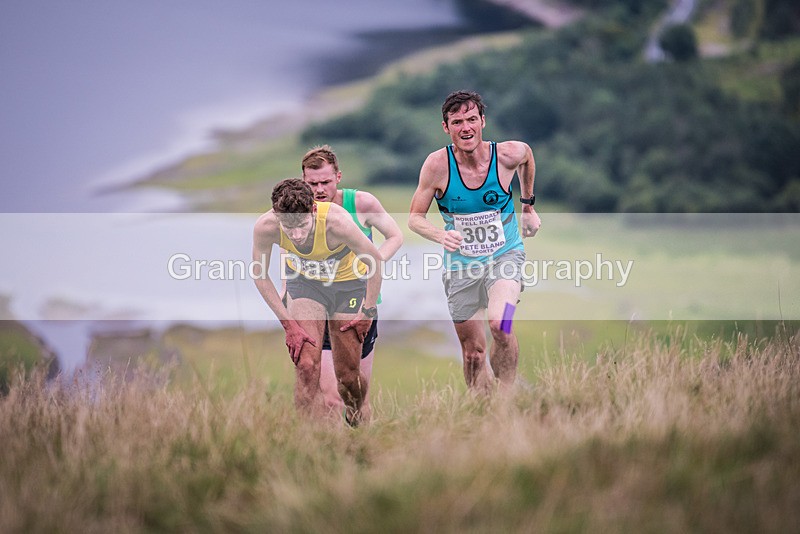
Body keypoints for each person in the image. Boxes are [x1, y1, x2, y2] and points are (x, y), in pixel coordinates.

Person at [408, 90, 541, 393]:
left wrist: (528, 206)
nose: (466, 128)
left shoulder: (507, 154)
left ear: (483, 121)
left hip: (506, 255)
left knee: (501, 325)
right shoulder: (437, 166)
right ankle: (481, 408)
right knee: (473, 354)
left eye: (471, 119)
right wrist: (441, 235)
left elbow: (527, 156)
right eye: (457, 122)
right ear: (446, 127)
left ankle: (506, 398)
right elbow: (414, 218)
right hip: (460, 266)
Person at [253, 178, 382, 425]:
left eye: (302, 225)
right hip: (306, 284)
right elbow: (260, 276)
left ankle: (356, 415)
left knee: (347, 377)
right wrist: (289, 325)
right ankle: (309, 438)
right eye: (289, 228)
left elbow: (374, 261)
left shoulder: (337, 221)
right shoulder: (266, 226)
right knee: (306, 366)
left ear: (313, 210)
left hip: (347, 285)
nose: (297, 236)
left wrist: (368, 310)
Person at [299, 145, 403, 414]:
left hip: (359, 303)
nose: (319, 190)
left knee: (355, 392)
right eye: (312, 184)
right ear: (303, 181)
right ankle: (332, 439)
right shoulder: (299, 209)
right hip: (318, 303)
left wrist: (372, 263)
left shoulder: (361, 203)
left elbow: (395, 236)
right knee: (330, 397)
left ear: (338, 177)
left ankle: (362, 434)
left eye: (325, 182)